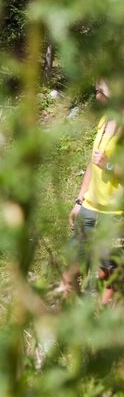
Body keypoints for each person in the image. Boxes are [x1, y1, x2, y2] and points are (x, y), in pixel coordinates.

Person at [65, 79, 122, 305]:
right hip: (90, 206)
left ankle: (101, 329)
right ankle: (65, 318)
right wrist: (79, 200)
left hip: (115, 213)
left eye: (99, 91)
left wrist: (109, 165)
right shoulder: (105, 120)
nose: (96, 97)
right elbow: (92, 163)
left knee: (108, 279)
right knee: (71, 266)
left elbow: (103, 163)